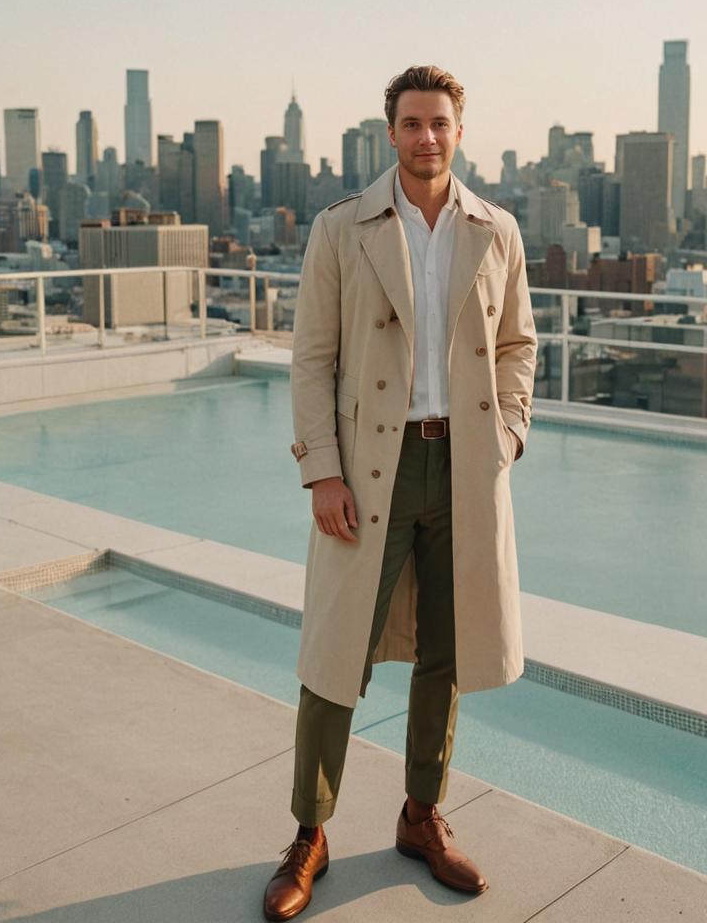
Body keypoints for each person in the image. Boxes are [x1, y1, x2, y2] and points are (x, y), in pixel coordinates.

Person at [263, 65, 537, 921]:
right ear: (390, 134)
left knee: (445, 655)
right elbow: (311, 360)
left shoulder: (496, 230)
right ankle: (309, 833)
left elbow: (517, 344)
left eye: (441, 123)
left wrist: (508, 435)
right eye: (412, 123)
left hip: (462, 466)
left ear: (460, 131)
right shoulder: (341, 228)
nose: (427, 137)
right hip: (367, 471)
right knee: (334, 657)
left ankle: (421, 816)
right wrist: (322, 472)